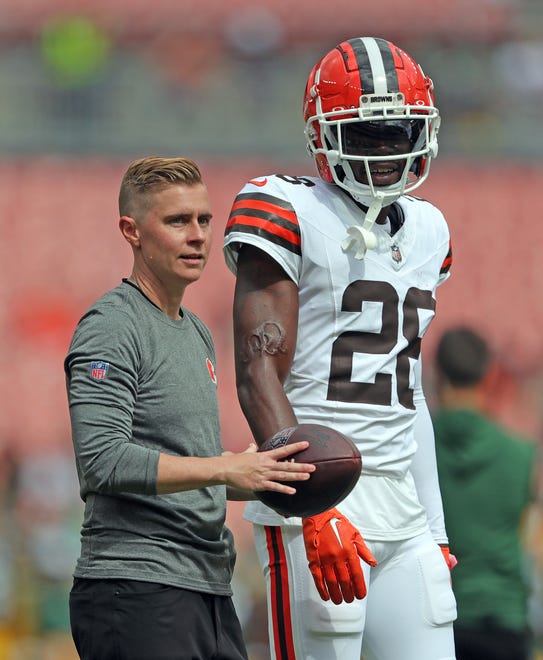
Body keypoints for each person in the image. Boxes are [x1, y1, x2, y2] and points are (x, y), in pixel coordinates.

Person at [223, 37, 457, 660]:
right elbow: (256, 370)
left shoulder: (431, 229)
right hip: (319, 494)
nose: (386, 150)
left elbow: (410, 398)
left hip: (403, 506)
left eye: (399, 130)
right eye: (368, 133)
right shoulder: (287, 205)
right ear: (323, 135)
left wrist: (434, 528)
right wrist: (313, 506)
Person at [63, 156, 316, 660]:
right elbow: (103, 460)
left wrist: (246, 473)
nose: (198, 235)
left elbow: (182, 458)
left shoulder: (196, 329)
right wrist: (225, 468)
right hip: (136, 585)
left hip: (206, 583)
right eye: (178, 221)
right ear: (131, 231)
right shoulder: (112, 325)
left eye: (204, 219)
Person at [433, 327, 539, 660]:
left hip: (435, 617)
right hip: (503, 618)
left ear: (437, 374)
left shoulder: (414, 447)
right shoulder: (521, 454)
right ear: (488, 374)